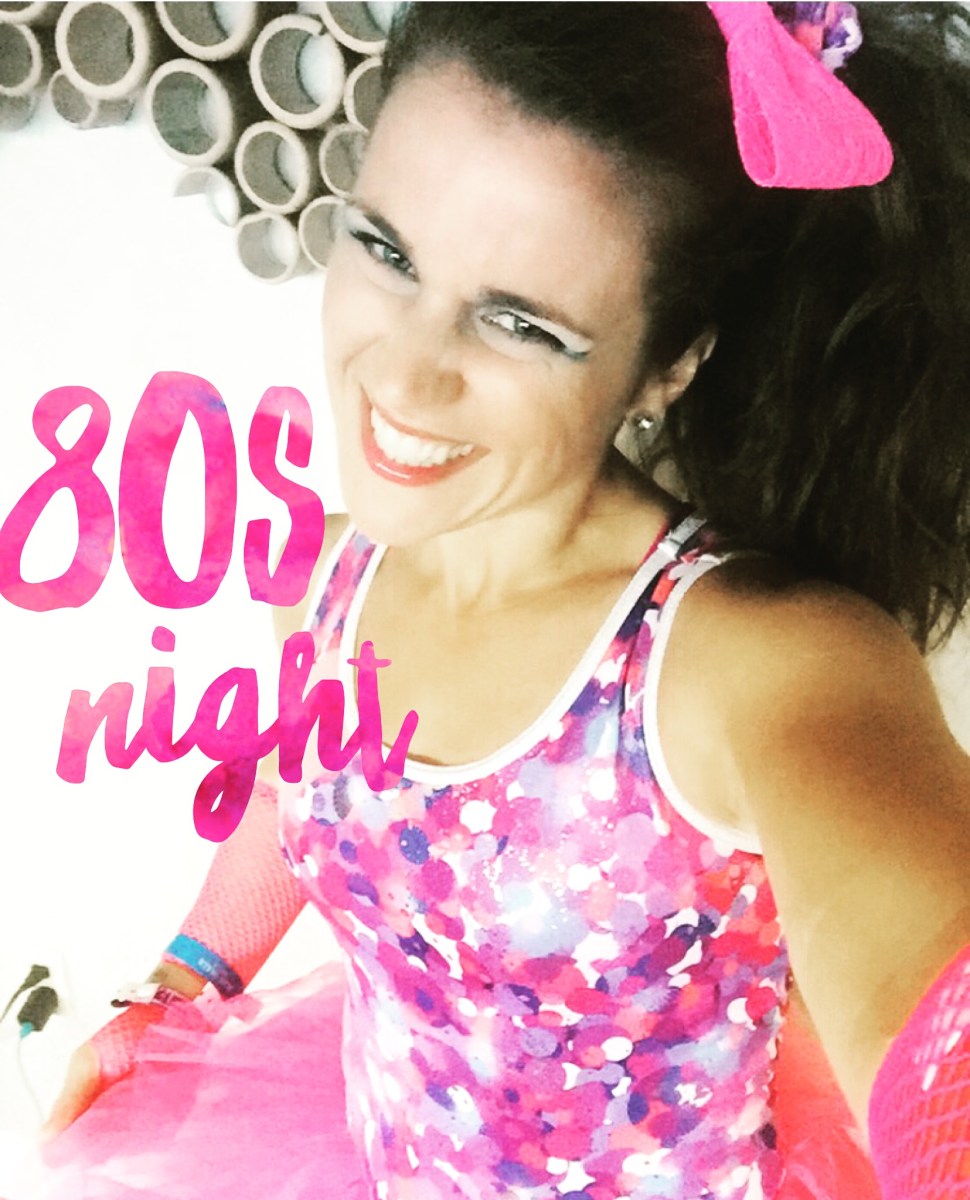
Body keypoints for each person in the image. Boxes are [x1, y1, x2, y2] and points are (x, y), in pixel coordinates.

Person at [19, 3, 970, 1198]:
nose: (403, 374)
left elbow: (935, 1036)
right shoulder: (325, 579)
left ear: (668, 364)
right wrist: (183, 982)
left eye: (519, 323)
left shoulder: (753, 667)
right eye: (387, 251)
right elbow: (295, 790)